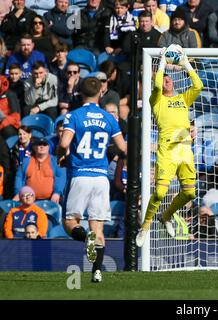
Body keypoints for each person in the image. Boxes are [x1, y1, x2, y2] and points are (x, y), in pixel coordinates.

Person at [57, 76, 127, 283]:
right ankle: (97, 272)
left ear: (80, 93)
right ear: (100, 93)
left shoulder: (73, 116)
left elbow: (64, 143)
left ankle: (84, 237)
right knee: (98, 226)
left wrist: (62, 155)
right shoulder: (108, 118)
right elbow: (122, 147)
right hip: (101, 177)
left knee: (70, 222)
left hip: (80, 174)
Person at [136, 46, 203, 245]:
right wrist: (163, 63)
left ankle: (166, 216)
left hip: (184, 150)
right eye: (164, 77)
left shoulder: (183, 98)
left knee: (190, 192)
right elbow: (157, 85)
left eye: (168, 77)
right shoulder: (156, 100)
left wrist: (185, 64)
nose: (167, 79)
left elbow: (198, 86)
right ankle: (145, 226)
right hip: (167, 149)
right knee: (159, 193)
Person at [13, 136, 66, 203]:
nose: (42, 146)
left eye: (44, 144)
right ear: (34, 147)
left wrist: (57, 193)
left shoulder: (56, 161)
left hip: (50, 201)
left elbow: (61, 178)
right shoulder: (26, 162)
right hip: (28, 200)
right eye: (39, 144)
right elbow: (19, 178)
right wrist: (18, 193)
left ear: (48, 147)